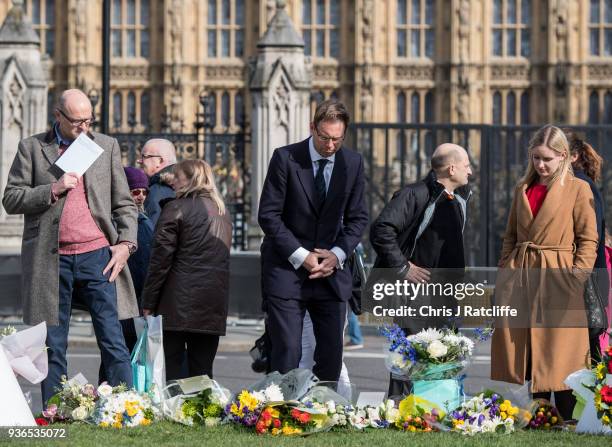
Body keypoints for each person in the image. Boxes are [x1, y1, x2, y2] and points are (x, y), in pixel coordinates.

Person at [2, 89, 138, 406]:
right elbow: (11, 198)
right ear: (58, 116)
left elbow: (124, 204)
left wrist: (126, 244)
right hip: (51, 260)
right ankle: (56, 410)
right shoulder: (32, 149)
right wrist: (52, 189)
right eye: (77, 121)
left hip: (98, 256)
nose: (84, 128)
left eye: (88, 120)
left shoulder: (105, 146)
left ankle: (124, 407)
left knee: (112, 338)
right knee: (53, 343)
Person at [490, 125, 598, 420]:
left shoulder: (578, 189)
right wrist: (505, 271)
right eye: (536, 158)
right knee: (529, 346)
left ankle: (567, 415)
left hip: (558, 274)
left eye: (547, 159)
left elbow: (588, 240)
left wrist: (576, 276)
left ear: (564, 156)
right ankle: (540, 413)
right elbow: (510, 235)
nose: (541, 164)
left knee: (560, 349)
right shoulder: (522, 189)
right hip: (523, 273)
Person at [258, 99, 368, 382]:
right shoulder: (285, 158)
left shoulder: (352, 163)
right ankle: (281, 415)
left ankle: (324, 411)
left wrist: (337, 254)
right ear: (312, 128)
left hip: (330, 274)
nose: (330, 145)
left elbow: (358, 219)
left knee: (331, 354)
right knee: (288, 351)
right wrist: (301, 255)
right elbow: (269, 216)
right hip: (287, 270)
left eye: (337, 139)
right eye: (325, 137)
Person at [368, 143, 473, 397]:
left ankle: (436, 403)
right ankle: (399, 405)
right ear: (451, 168)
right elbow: (381, 229)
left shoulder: (458, 199)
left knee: (443, 351)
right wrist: (403, 268)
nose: (470, 172)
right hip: (415, 293)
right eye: (466, 166)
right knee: (407, 353)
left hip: (444, 292)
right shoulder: (415, 194)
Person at [141, 160, 232, 380]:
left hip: (177, 302)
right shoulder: (221, 210)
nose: (172, 180)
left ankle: (175, 415)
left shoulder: (176, 207)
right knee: (202, 373)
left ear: (189, 179)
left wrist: (148, 303)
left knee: (172, 373)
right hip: (212, 302)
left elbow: (160, 261)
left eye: (177, 176)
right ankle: (203, 414)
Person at [98, 167, 154, 383]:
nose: (140, 196)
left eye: (144, 192)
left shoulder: (144, 219)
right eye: (135, 191)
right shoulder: (118, 222)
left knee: (130, 354)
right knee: (116, 352)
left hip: (139, 299)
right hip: (121, 296)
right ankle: (112, 397)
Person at [564, 130, 609, 358]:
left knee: (582, 362)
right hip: (576, 282)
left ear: (573, 156)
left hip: (582, 284)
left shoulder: (581, 185)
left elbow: (591, 240)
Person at [139, 138, 177, 225]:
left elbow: (152, 233)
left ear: (160, 161)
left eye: (144, 156)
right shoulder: (184, 185)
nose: (139, 161)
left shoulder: (157, 191)